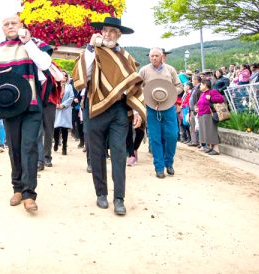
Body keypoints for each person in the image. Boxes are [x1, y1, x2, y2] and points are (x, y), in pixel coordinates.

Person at [72, 16, 145, 216]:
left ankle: (119, 198)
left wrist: (138, 109)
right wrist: (89, 48)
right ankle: (101, 194)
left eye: (112, 31)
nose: (107, 34)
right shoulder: (91, 52)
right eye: (105, 30)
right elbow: (83, 77)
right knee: (96, 153)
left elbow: (134, 84)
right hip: (95, 108)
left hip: (119, 110)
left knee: (119, 154)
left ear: (119, 35)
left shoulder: (126, 57)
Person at [0, 15, 52, 213]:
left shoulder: (34, 43)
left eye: (14, 23)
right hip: (9, 107)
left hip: (32, 105)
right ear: (2, 28)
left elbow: (45, 64)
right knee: (14, 148)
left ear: (21, 25)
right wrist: (2, 74)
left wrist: (27, 42)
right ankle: (17, 188)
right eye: (6, 24)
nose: (10, 26)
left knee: (29, 147)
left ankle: (29, 194)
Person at [140, 48, 183, 178]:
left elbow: (179, 86)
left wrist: (169, 94)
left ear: (162, 56)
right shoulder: (144, 71)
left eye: (156, 56)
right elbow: (137, 87)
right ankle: (159, 167)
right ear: (149, 57)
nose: (154, 58)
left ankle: (169, 162)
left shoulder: (170, 70)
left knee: (172, 135)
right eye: (152, 56)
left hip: (169, 107)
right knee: (155, 138)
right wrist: (146, 95)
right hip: (152, 108)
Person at [196, 79, 226, 155]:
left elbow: (221, 99)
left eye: (201, 85)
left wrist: (211, 98)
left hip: (209, 114)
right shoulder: (203, 93)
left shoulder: (212, 92)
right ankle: (211, 148)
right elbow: (200, 103)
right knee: (206, 132)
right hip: (202, 114)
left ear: (205, 85)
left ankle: (216, 149)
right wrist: (197, 108)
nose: (200, 86)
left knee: (211, 131)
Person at [53, 73, 75, 155]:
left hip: (65, 109)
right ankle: (56, 142)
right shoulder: (55, 85)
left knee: (64, 129)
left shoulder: (69, 86)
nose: (64, 76)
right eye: (62, 75)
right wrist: (56, 104)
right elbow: (52, 95)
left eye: (65, 75)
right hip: (56, 109)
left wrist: (63, 105)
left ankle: (64, 147)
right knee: (56, 128)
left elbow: (71, 97)